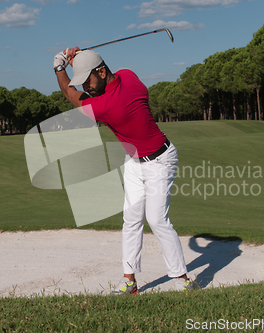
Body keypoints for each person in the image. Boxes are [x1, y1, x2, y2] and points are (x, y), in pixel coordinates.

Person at [53, 47, 193, 294]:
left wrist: (59, 67)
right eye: (82, 82)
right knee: (131, 219)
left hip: (160, 160)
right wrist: (82, 58)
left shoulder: (105, 106)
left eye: (88, 80)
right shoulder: (129, 76)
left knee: (157, 219)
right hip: (134, 161)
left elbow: (69, 93)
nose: (85, 87)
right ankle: (130, 281)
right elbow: (98, 81)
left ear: (102, 71)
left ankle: (182, 280)